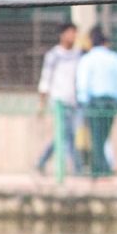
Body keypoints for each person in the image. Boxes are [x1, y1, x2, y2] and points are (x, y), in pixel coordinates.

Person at [76, 26, 117, 177]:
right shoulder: (115, 58)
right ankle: (101, 167)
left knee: (97, 137)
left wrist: (83, 102)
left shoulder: (87, 59)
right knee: (103, 136)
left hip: (94, 102)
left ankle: (99, 168)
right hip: (111, 102)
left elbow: (83, 83)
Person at [36, 22, 83, 175]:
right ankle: (78, 169)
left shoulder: (78, 54)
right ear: (62, 35)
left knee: (63, 135)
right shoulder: (53, 55)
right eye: (70, 33)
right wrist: (42, 104)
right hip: (58, 102)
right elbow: (45, 79)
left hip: (74, 102)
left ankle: (41, 162)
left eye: (75, 33)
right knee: (68, 135)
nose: (73, 36)